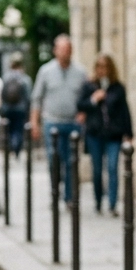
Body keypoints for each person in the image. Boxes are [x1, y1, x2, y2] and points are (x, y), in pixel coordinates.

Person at [30, 36, 87, 205]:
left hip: (73, 123)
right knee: (54, 159)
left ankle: (69, 196)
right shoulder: (45, 71)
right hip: (52, 122)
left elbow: (86, 97)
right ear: (55, 50)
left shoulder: (81, 72)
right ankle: (55, 192)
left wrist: (83, 113)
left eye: (68, 49)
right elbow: (36, 99)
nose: (65, 52)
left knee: (71, 161)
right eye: (61, 49)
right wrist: (34, 123)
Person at [77, 53, 133, 214]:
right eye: (99, 67)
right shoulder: (89, 86)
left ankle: (113, 203)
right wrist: (94, 99)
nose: (102, 70)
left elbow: (125, 111)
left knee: (112, 167)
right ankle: (98, 200)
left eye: (105, 67)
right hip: (95, 134)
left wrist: (129, 133)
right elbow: (80, 105)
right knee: (97, 169)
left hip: (113, 135)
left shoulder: (118, 88)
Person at [1, 54, 32, 156]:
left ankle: (10, 146)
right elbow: (28, 96)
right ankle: (17, 147)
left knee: (9, 129)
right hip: (21, 109)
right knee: (18, 129)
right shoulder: (25, 79)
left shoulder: (6, 77)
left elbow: (3, 94)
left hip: (8, 108)